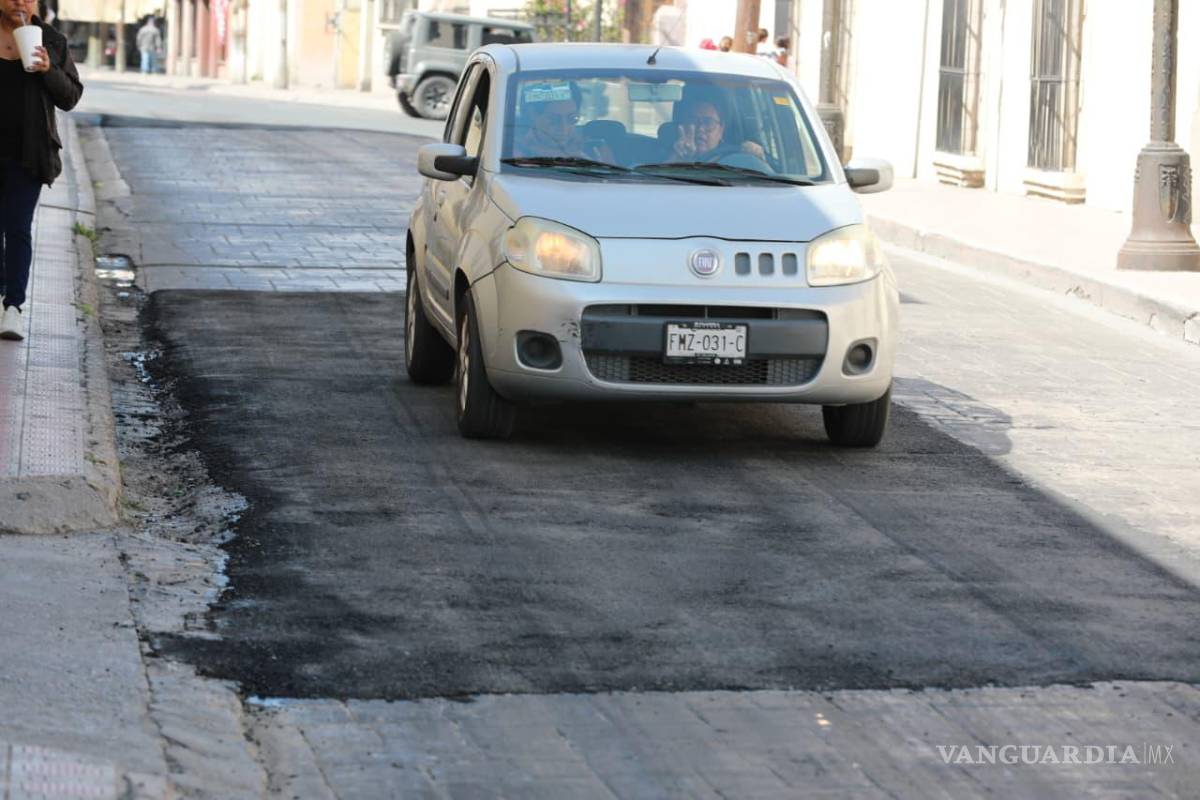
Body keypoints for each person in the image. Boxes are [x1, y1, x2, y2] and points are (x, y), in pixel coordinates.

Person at [0, 0, 82, 341]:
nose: (21, 2)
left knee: (17, 228)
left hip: (28, 153)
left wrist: (49, 68)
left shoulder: (52, 40)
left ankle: (13, 308)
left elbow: (70, 97)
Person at [512, 84, 612, 162]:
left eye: (572, 118)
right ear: (533, 115)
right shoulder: (514, 153)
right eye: (554, 120)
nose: (564, 128)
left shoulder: (595, 150)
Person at [668, 95, 765, 164]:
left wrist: (755, 156)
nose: (700, 129)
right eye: (694, 121)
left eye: (708, 122)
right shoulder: (663, 154)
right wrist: (678, 157)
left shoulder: (738, 160)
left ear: (721, 130)